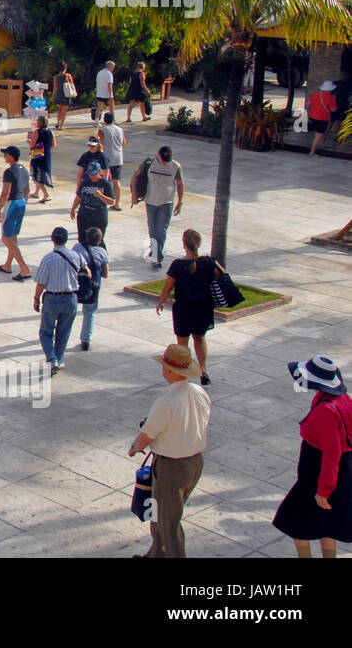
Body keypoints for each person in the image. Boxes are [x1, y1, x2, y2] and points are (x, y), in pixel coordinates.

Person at [128, 344, 211, 559]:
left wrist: (135, 447)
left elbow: (148, 435)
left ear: (171, 371)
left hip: (172, 467)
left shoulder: (166, 401)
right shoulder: (198, 392)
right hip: (195, 463)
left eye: (165, 366)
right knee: (162, 515)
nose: (162, 369)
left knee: (168, 522)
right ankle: (155, 555)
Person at [273, 356, 352, 557]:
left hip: (318, 474)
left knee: (293, 520)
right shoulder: (341, 399)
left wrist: (324, 490)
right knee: (326, 522)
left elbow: (332, 454)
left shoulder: (326, 410)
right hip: (338, 471)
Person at [154, 229, 225, 385]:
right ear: (198, 244)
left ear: (184, 244)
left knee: (182, 343)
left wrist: (161, 301)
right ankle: (203, 371)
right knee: (200, 338)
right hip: (203, 306)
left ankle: (182, 374)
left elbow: (168, 286)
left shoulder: (178, 265)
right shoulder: (208, 262)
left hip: (183, 308)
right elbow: (223, 273)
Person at [33, 226, 88, 375]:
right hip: (71, 298)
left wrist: (36, 298)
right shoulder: (75, 255)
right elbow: (86, 271)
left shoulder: (49, 258)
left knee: (46, 331)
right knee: (64, 332)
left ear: (53, 240)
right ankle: (59, 359)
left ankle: (51, 360)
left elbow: (41, 283)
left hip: (52, 298)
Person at [131, 146, 184, 269]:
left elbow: (180, 183)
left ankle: (156, 257)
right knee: (153, 230)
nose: (166, 162)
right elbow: (135, 176)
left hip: (166, 203)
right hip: (150, 201)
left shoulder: (175, 166)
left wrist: (180, 202)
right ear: (158, 155)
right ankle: (155, 250)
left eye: (168, 159)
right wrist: (134, 195)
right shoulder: (149, 163)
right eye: (164, 159)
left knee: (161, 230)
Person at [0, 145, 31, 280]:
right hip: (21, 202)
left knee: (6, 238)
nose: (4, 157)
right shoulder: (25, 170)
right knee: (13, 237)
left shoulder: (9, 172)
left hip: (12, 203)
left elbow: (5, 192)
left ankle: (24, 267)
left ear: (10, 156)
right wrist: (24, 202)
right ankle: (7, 265)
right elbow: (27, 190)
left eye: (5, 154)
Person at [74, 226, 109, 352]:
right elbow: (105, 273)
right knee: (90, 313)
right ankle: (86, 339)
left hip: (76, 284)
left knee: (70, 311)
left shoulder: (77, 248)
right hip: (93, 286)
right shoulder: (102, 252)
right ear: (100, 241)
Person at [71, 161, 116, 246]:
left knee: (98, 241)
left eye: (94, 174)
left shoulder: (105, 184)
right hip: (84, 215)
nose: (92, 177)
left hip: (99, 216)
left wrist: (101, 196)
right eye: (90, 174)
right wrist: (73, 209)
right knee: (82, 240)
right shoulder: (84, 183)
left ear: (99, 172)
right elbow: (78, 197)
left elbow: (112, 201)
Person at [98, 113, 125, 210]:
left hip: (106, 158)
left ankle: (103, 201)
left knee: (103, 181)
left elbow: (100, 144)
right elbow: (123, 143)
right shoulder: (120, 129)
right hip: (118, 157)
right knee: (116, 181)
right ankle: (117, 204)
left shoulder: (102, 130)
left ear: (104, 120)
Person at [306, 80, 339, 156]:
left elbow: (308, 104)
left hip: (312, 116)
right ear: (331, 89)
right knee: (318, 135)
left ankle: (321, 144)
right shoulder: (330, 98)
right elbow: (333, 109)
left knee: (318, 133)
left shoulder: (316, 94)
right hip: (322, 118)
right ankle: (312, 152)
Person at [28, 114, 55, 203]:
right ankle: (36, 192)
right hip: (47, 156)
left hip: (38, 156)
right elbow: (54, 145)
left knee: (36, 175)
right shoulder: (51, 132)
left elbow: (32, 144)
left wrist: (29, 141)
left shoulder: (37, 132)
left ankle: (45, 194)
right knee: (42, 173)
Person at [53, 62, 75, 130]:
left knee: (60, 109)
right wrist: (74, 93)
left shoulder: (56, 77)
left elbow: (55, 87)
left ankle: (57, 123)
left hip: (59, 94)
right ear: (65, 68)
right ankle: (61, 125)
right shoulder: (68, 75)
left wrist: (53, 95)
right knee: (64, 111)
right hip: (66, 94)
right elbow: (72, 85)